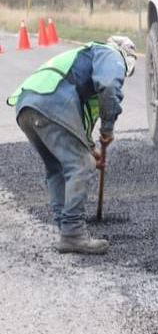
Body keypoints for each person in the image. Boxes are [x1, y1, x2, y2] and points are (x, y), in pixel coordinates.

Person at [6, 36, 136, 254]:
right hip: (50, 102)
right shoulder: (111, 54)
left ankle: (65, 227)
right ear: (127, 57)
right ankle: (73, 233)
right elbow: (110, 87)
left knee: (57, 167)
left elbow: (77, 129)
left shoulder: (84, 61)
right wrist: (108, 129)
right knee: (82, 165)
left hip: (27, 105)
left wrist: (94, 149)